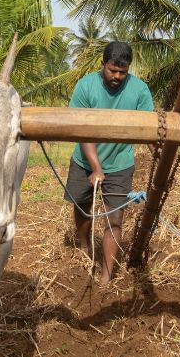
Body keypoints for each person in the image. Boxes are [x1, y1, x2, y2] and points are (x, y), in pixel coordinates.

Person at [66, 41, 154, 283]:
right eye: (112, 70)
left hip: (120, 163)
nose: (117, 76)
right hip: (84, 160)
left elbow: (148, 128)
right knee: (82, 208)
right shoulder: (86, 87)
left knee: (114, 218)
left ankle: (106, 276)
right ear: (103, 64)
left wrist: (158, 150)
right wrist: (95, 168)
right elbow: (82, 131)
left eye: (122, 73)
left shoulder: (139, 91)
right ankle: (84, 244)